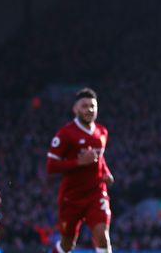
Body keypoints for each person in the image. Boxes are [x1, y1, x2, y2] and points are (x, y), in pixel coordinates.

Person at [46, 88, 115, 253]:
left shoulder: (102, 132)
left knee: (102, 236)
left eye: (93, 106)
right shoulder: (65, 134)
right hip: (72, 197)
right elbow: (51, 166)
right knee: (67, 244)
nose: (89, 110)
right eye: (84, 106)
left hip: (96, 193)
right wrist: (78, 162)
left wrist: (106, 172)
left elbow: (99, 157)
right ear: (75, 109)